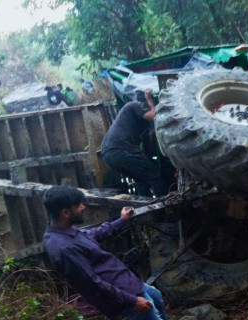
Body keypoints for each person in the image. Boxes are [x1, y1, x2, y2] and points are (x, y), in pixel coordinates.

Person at [43, 185, 168, 320]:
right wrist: (133, 301)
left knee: (156, 296)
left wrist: (121, 221)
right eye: (78, 205)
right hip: (123, 297)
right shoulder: (65, 248)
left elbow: (93, 234)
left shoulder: (65, 231)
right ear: (65, 213)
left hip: (127, 284)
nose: (83, 207)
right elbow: (94, 285)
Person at [101, 88, 167, 197]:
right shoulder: (134, 105)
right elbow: (153, 116)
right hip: (119, 150)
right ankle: (166, 206)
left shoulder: (141, 121)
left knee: (140, 178)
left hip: (110, 153)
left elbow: (150, 142)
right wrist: (150, 101)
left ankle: (147, 208)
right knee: (153, 175)